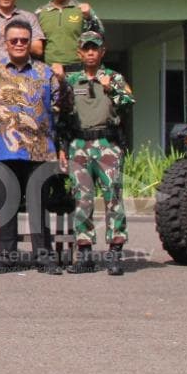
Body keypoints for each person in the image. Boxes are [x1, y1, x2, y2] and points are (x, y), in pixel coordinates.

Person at [0, 19, 70, 274]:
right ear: (5, 43)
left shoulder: (46, 73)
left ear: (31, 43)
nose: (19, 44)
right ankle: (6, 258)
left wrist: (62, 147)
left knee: (38, 207)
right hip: (3, 149)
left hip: (39, 150)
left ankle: (44, 258)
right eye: (14, 40)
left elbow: (62, 111)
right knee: (6, 208)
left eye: (24, 40)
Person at [61, 31, 132, 276]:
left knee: (113, 197)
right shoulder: (71, 81)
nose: (90, 52)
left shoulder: (114, 77)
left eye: (95, 48)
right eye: (86, 48)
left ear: (102, 51)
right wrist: (62, 149)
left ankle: (115, 254)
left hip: (107, 144)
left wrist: (110, 88)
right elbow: (60, 114)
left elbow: (128, 103)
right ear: (79, 52)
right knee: (82, 199)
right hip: (79, 144)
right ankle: (85, 254)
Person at [35, 0, 104, 75]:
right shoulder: (40, 13)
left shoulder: (82, 9)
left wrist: (89, 17)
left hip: (78, 72)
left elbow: (100, 37)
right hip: (49, 71)